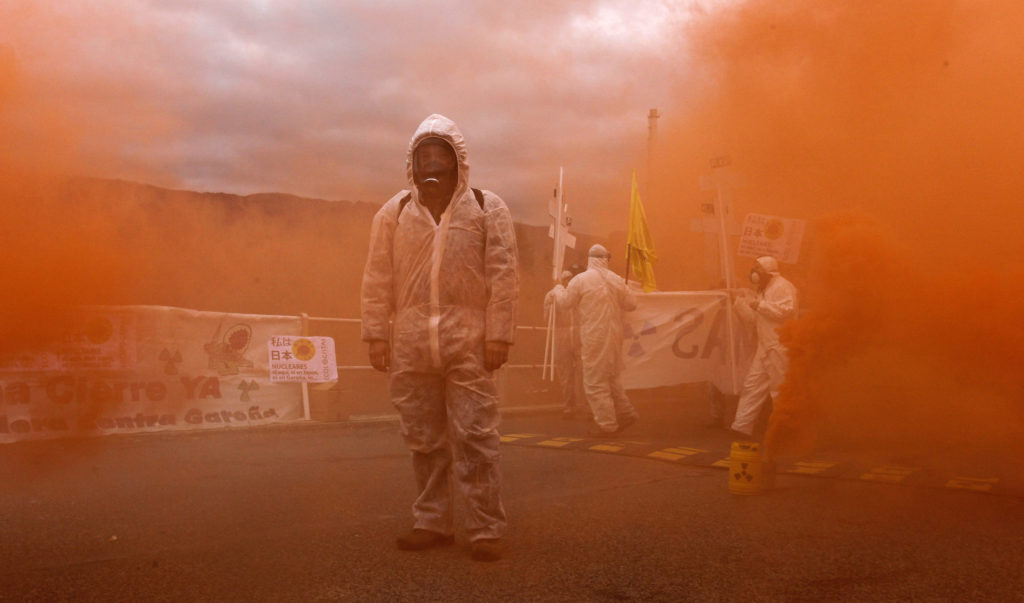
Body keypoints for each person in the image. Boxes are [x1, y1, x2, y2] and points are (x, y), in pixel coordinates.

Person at [360, 114, 519, 562]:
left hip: (469, 338)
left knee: (475, 434)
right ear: (411, 162)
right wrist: (377, 334)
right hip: (412, 341)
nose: (432, 163)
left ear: (457, 161)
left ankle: (485, 528)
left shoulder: (486, 207)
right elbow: (377, 276)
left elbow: (504, 275)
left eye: (440, 155)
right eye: (424, 155)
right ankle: (432, 521)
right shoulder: (394, 213)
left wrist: (499, 334)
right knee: (423, 437)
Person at [555, 244, 639, 436]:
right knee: (612, 376)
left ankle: (606, 424)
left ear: (589, 259)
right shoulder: (616, 279)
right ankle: (626, 412)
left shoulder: (580, 280)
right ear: (606, 259)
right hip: (615, 336)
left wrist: (558, 289)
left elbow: (565, 303)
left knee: (595, 381)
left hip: (594, 336)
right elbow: (631, 304)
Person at [729, 256, 798, 439]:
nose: (754, 271)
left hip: (778, 346)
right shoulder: (763, 289)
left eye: (758, 267)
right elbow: (755, 320)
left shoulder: (783, 286)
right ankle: (741, 427)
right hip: (765, 346)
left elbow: (786, 311)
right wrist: (739, 303)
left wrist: (759, 305)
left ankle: (784, 431)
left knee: (779, 390)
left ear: (769, 269)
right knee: (752, 386)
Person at [543, 270, 583, 419]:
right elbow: (547, 318)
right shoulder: (552, 295)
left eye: (570, 278)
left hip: (579, 336)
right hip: (562, 335)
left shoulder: (580, 293)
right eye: (565, 278)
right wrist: (549, 303)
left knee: (583, 372)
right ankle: (569, 406)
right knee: (565, 372)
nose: (568, 281)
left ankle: (583, 405)